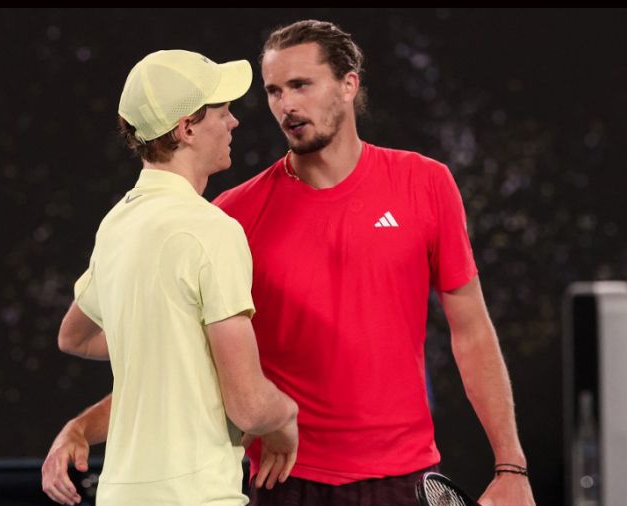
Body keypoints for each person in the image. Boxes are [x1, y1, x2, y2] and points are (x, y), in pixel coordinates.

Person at [44, 21, 536, 506]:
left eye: (300, 85)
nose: (286, 105)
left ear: (349, 85)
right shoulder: (228, 218)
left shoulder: (426, 184)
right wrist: (85, 424)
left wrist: (510, 465)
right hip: (285, 484)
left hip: (402, 480)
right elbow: (184, 356)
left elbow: (472, 331)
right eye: (274, 91)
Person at [41, 49, 299, 506]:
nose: (234, 122)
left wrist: (169, 341)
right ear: (186, 129)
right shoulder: (212, 231)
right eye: (222, 112)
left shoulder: (116, 224)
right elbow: (249, 407)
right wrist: (286, 417)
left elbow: (75, 338)